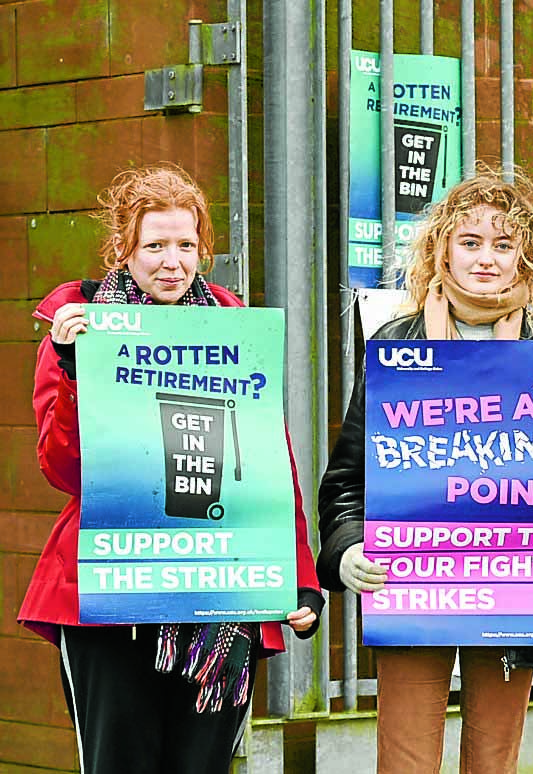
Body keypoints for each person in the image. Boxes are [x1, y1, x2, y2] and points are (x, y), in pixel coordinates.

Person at [316, 166, 533, 774]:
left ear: (526, 258)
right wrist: (348, 547)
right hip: (411, 585)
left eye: (503, 244)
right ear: (441, 250)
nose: (486, 259)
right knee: (404, 762)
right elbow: (349, 479)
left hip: (512, 593)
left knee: (494, 763)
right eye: (470, 243)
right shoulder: (396, 344)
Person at [19, 164, 324, 774]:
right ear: (123, 250)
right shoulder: (79, 327)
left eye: (186, 245)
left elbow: (266, 464)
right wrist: (79, 369)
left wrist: (298, 575)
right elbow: (63, 468)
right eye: (154, 245)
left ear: (204, 250)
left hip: (221, 597)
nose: (171, 261)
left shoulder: (234, 332)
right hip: (108, 597)